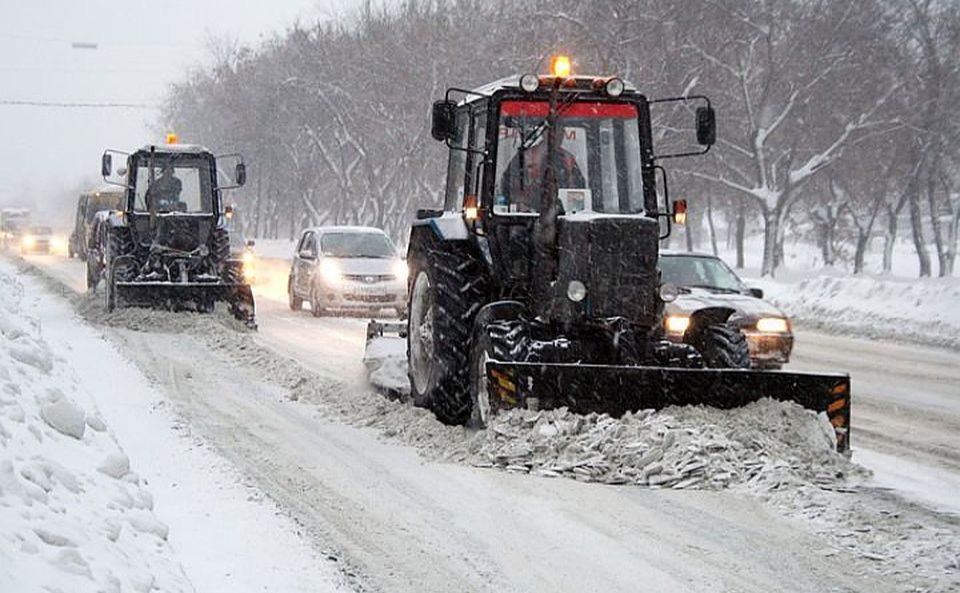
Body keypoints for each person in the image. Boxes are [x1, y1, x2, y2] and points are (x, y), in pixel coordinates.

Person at [500, 123, 586, 212]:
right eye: (553, 131)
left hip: (562, 216)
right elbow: (508, 187)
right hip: (528, 217)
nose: (557, 135)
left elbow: (579, 191)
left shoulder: (569, 160)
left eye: (561, 131)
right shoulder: (525, 157)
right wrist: (521, 203)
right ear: (544, 134)